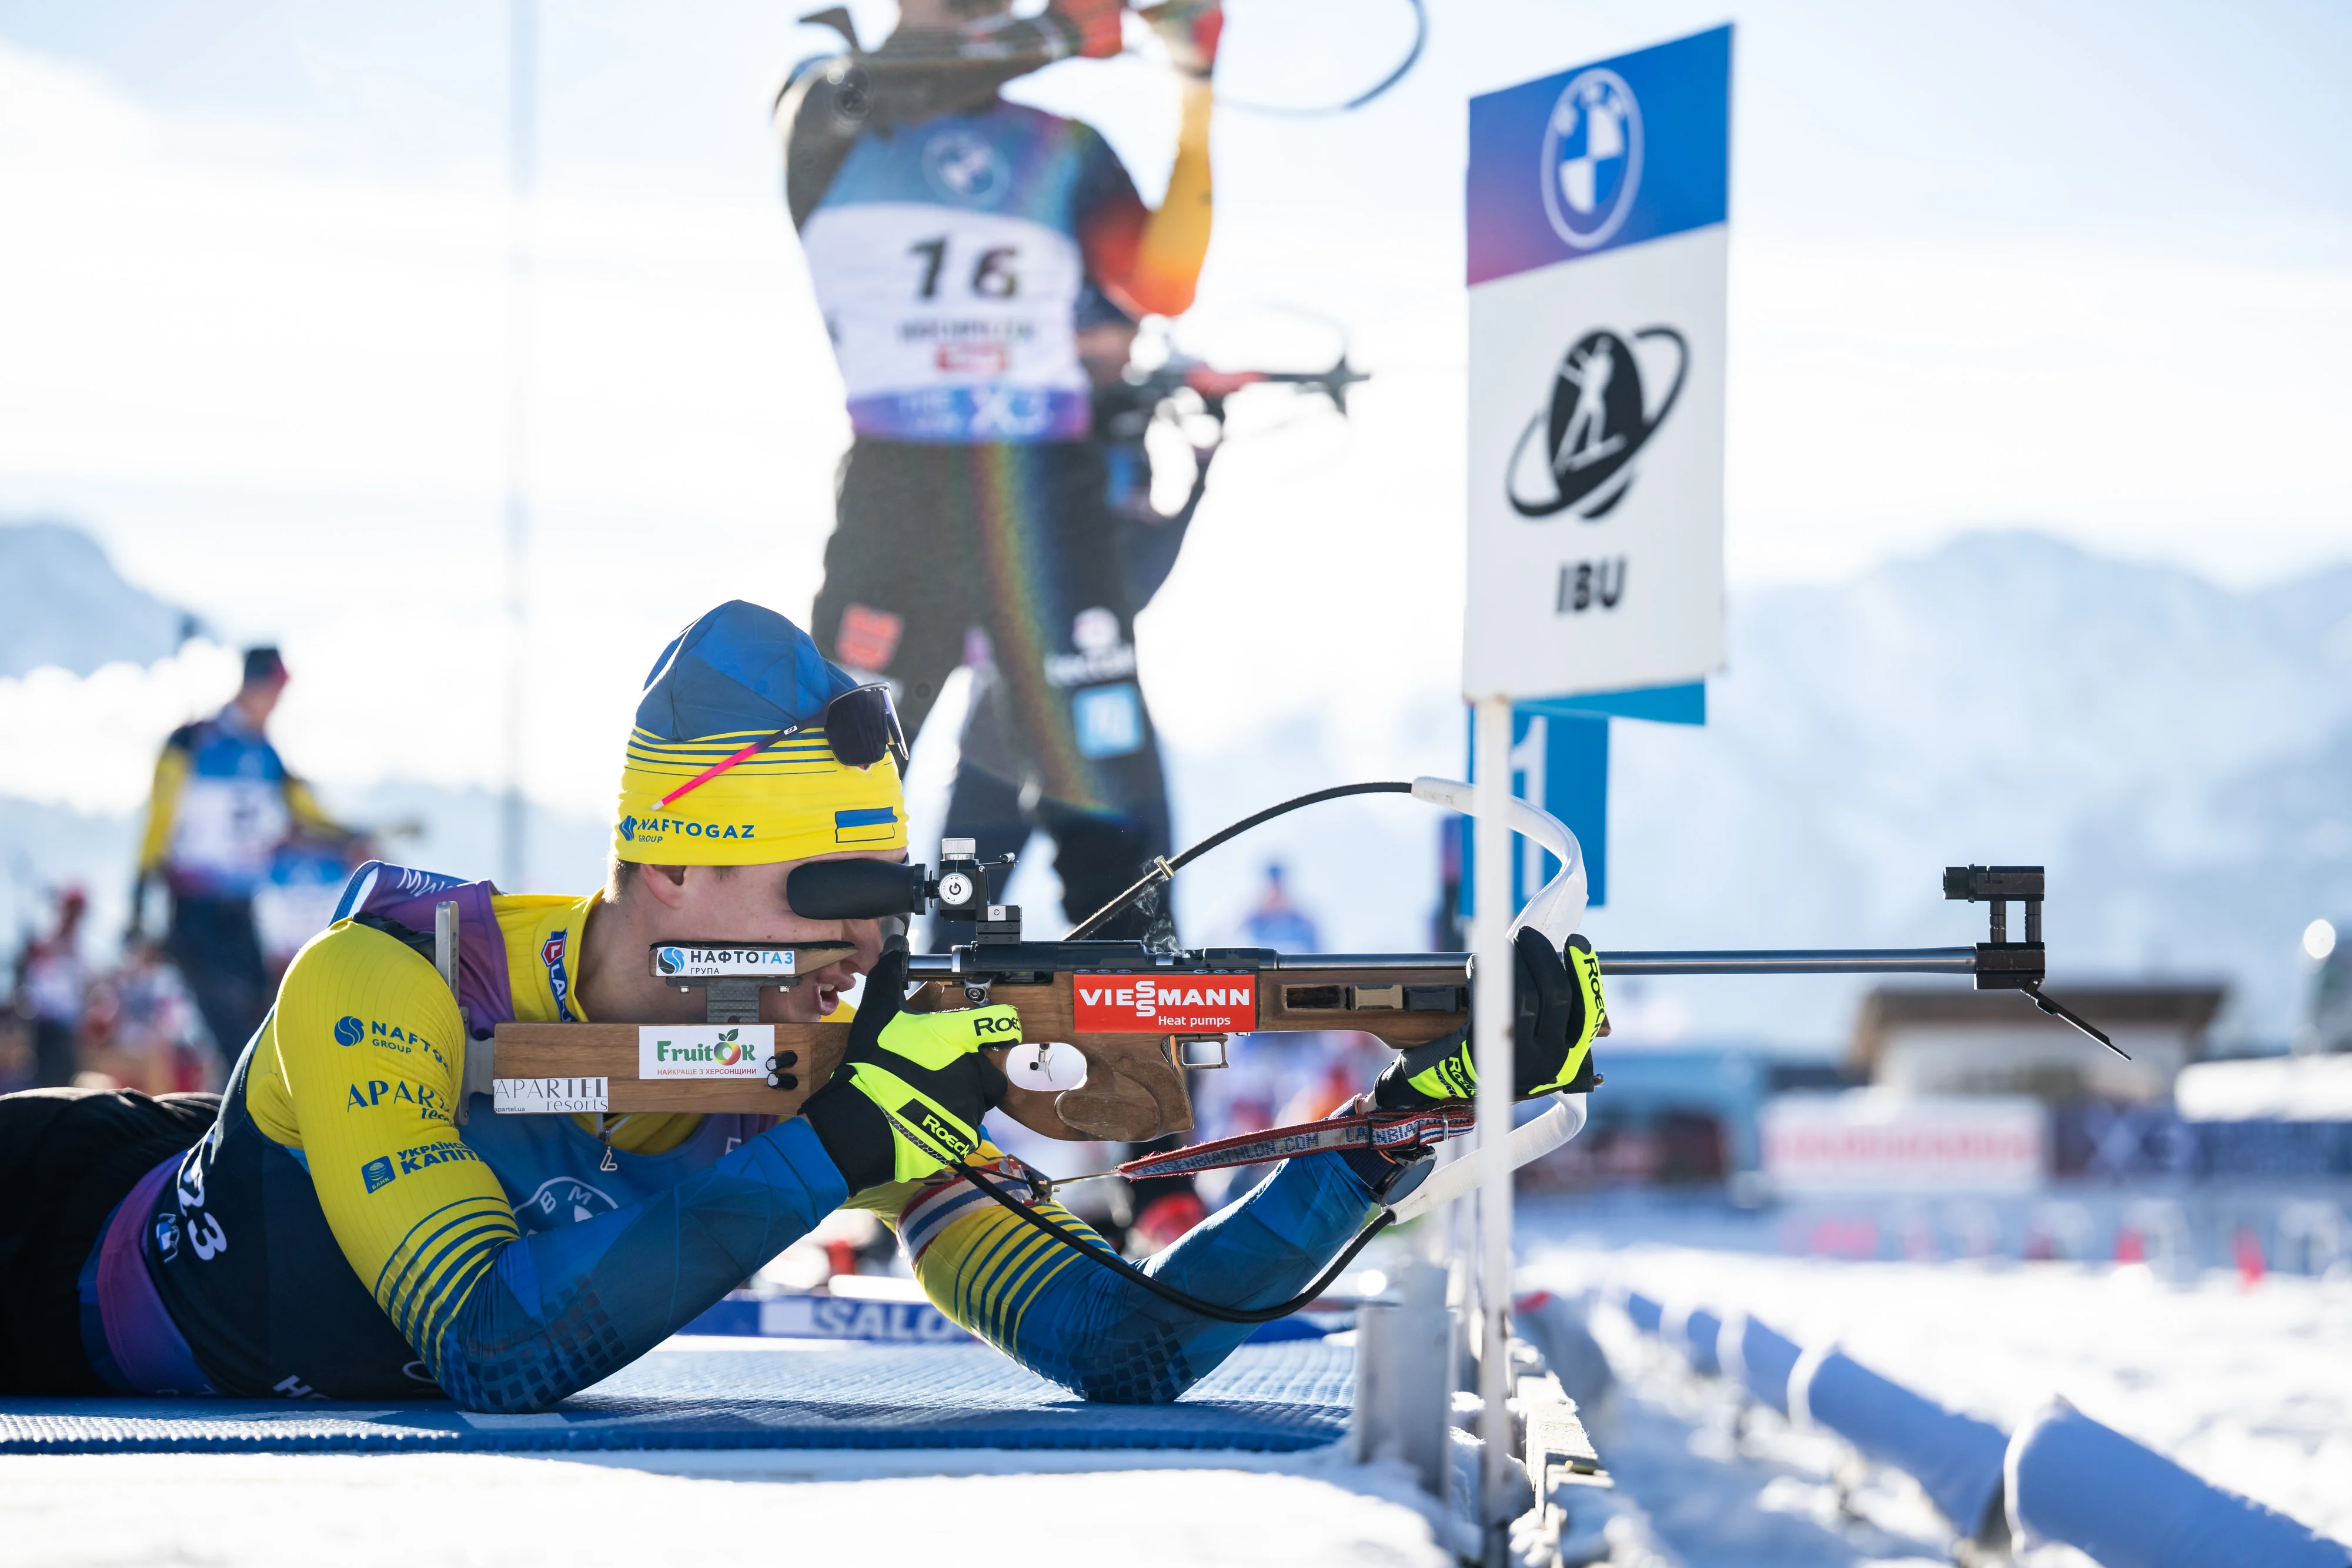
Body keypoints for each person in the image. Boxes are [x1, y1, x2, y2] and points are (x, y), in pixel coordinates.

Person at [0, 601, 1606, 1407]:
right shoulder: (388, 985)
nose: (857, 954)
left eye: (881, 897)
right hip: (41, 1248)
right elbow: (490, 1346)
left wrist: (1390, 1134)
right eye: (818, 900)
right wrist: (840, 1134)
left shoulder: (828, 1056)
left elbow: (1126, 1347)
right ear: (668, 873)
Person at [777, 0, 1222, 937]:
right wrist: (1063, 33)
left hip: (1044, 494)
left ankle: (1131, 1033)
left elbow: (1163, 282)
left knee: (1112, 802)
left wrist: (1193, 88)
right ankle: (817, 1012)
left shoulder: (1065, 143)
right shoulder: (829, 103)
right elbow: (909, 80)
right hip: (902, 489)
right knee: (832, 785)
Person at [131, 647, 362, 1061]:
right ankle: (221, 1120)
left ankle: (246, 1116)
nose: (277, 702)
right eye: (273, 690)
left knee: (262, 1021)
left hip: (240, 907)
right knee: (230, 1030)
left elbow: (307, 811)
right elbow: (158, 820)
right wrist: (140, 892)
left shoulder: (267, 752)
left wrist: (354, 835)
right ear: (254, 685)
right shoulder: (191, 741)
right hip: (194, 907)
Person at [12, 887, 90, 1088]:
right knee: (46, 1083)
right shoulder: (47, 942)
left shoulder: (74, 944)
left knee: (66, 1082)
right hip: (46, 1026)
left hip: (68, 1027)